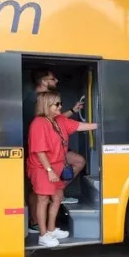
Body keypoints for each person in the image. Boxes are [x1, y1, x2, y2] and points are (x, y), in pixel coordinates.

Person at [27, 91, 98, 247]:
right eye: (57, 104)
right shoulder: (38, 123)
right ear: (46, 106)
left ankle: (51, 230)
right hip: (42, 167)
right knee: (43, 199)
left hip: (58, 165)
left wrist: (101, 124)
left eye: (60, 103)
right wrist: (49, 170)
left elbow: (81, 126)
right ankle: (43, 235)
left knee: (58, 198)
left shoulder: (59, 120)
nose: (61, 106)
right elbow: (39, 151)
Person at [23, 69, 85, 233]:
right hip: (38, 151)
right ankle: (35, 222)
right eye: (52, 78)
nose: (56, 80)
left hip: (51, 149)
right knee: (36, 190)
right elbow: (45, 122)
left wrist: (72, 111)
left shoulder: (43, 100)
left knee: (78, 161)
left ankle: (56, 192)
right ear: (43, 82)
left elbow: (54, 118)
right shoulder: (34, 100)